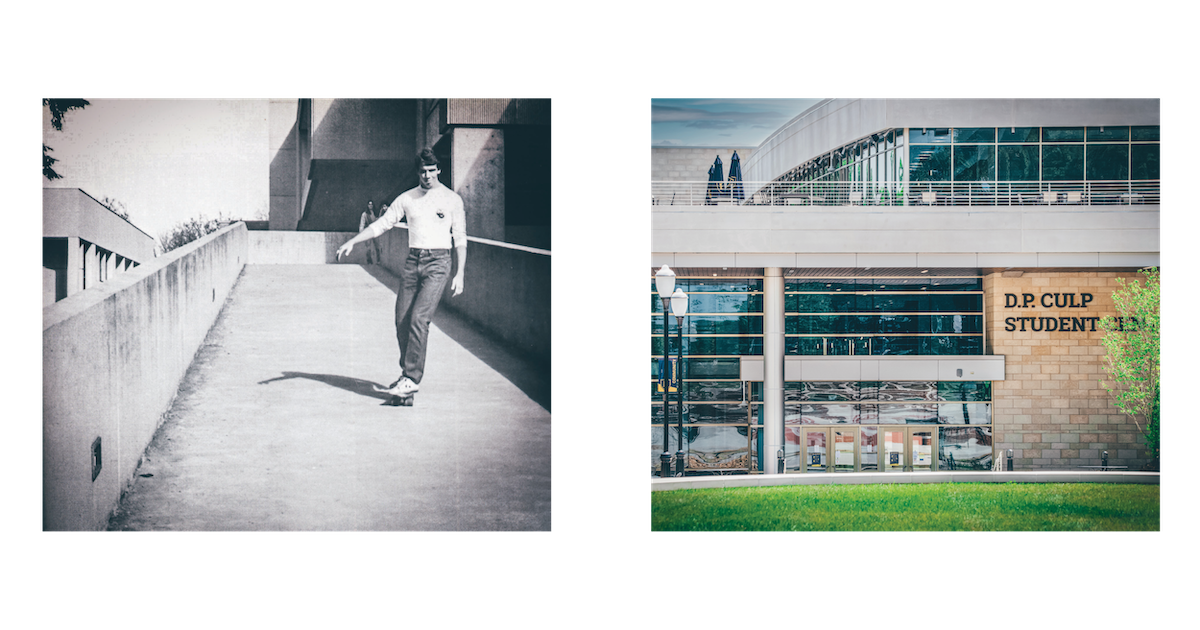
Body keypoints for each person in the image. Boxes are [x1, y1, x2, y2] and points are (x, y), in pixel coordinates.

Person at [337, 148, 466, 397]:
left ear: (438, 169)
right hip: (413, 261)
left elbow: (460, 238)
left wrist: (460, 272)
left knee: (419, 319)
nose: (427, 176)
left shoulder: (452, 200)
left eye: (431, 170)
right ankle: (406, 376)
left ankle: (411, 377)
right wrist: (353, 241)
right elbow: (382, 224)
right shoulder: (407, 198)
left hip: (439, 263)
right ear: (417, 172)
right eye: (422, 171)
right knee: (402, 320)